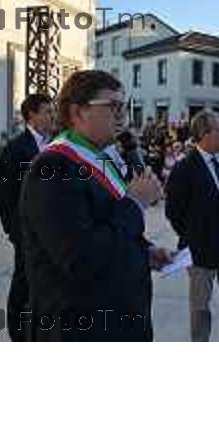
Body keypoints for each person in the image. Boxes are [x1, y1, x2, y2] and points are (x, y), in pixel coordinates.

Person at [19, 70, 170, 341]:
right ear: (78, 112)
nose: (123, 115)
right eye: (113, 106)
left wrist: (142, 250)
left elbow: (107, 224)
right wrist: (135, 203)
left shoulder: (99, 158)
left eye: (125, 106)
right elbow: (80, 258)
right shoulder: (53, 166)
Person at [165, 109, 219, 342]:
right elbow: (174, 212)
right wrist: (194, 235)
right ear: (204, 134)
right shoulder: (186, 168)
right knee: (201, 303)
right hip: (200, 244)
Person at [0, 94, 54, 340]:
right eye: (48, 112)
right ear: (32, 115)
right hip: (26, 230)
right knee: (23, 281)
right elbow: (4, 194)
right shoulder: (16, 148)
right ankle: (17, 334)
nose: (53, 116)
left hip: (52, 230)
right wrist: (12, 230)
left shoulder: (56, 145)